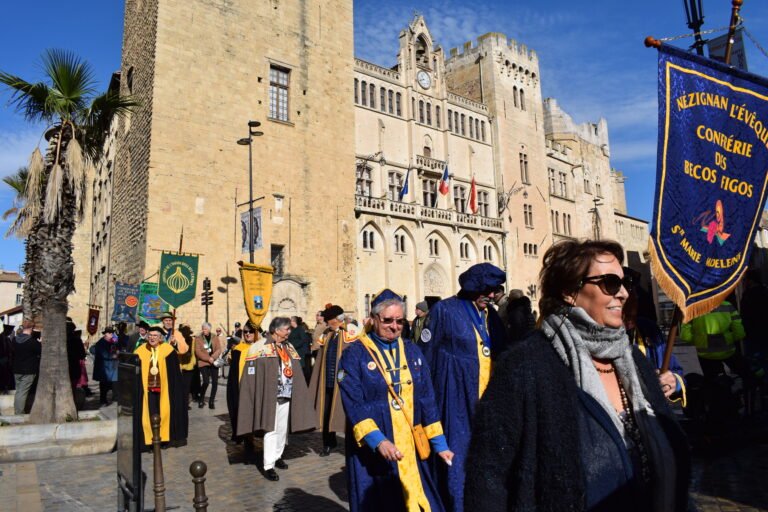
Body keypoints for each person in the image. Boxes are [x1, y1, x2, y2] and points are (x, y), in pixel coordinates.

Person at [465, 239, 690, 511]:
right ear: (570, 292)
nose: (623, 294)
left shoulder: (634, 360)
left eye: (626, 281)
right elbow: (488, 476)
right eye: (610, 283)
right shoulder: (524, 366)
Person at [338, 289, 453, 512]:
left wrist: (440, 445)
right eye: (388, 320)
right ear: (373, 319)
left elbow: (427, 399)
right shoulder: (354, 355)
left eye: (399, 321)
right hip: (375, 451)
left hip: (411, 446)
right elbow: (354, 403)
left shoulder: (413, 351)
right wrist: (378, 441)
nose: (394, 326)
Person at [420, 262, 508, 512]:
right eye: (488, 290)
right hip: (455, 400)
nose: (492, 296)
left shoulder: (490, 316)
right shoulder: (444, 311)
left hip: (487, 404)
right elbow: (426, 357)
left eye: (495, 290)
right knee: (457, 460)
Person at [236, 317, 316, 481]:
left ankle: (278, 455)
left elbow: (295, 369)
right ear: (276, 330)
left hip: (286, 394)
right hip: (269, 395)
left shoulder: (288, 347)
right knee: (270, 430)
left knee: (282, 429)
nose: (289, 332)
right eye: (286, 329)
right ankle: (268, 465)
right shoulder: (260, 347)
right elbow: (251, 375)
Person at [308, 304, 356, 456]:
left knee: (346, 413)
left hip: (343, 381)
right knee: (326, 412)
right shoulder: (327, 334)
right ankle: (328, 442)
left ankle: (352, 443)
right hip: (326, 380)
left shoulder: (350, 333)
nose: (326, 322)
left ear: (335, 320)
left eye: (328, 319)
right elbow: (318, 352)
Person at [134, 325, 188, 448]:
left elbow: (175, 375)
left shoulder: (168, 351)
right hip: (147, 391)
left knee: (164, 412)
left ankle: (164, 439)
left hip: (164, 390)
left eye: (155, 336)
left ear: (161, 338)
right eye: (150, 335)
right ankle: (148, 440)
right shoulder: (140, 351)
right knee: (148, 413)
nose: (152, 338)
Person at [227, 320, 258, 442]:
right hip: (242, 388)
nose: (248, 334)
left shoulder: (261, 348)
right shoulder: (238, 350)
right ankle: (247, 445)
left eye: (251, 332)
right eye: (245, 332)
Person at [12, 319, 40, 413]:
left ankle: (17, 410)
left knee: (19, 391)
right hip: (28, 370)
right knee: (22, 392)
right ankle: (19, 412)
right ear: (31, 328)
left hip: (16, 369)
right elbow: (40, 351)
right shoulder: (32, 342)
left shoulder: (14, 340)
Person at [195, 322, 223, 409]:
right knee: (206, 381)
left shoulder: (215, 337)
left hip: (213, 362)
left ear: (209, 329)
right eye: (203, 329)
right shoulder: (198, 338)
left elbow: (219, 349)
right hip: (204, 363)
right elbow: (198, 352)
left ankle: (211, 401)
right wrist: (208, 359)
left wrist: (213, 357)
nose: (204, 331)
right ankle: (201, 399)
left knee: (215, 382)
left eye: (205, 329)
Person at [91, 327, 120, 406]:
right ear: (105, 334)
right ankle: (103, 400)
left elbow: (115, 350)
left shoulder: (113, 342)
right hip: (104, 368)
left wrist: (117, 352)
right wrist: (113, 355)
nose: (111, 334)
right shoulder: (101, 343)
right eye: (109, 333)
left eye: (112, 333)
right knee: (104, 385)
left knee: (114, 384)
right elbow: (103, 354)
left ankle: (115, 400)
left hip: (112, 367)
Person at [288, 316, 312, 381]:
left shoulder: (300, 329)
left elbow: (303, 339)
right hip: (293, 351)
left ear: (293, 321)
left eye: (290, 321)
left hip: (300, 351)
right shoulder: (293, 330)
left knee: (300, 367)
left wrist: (294, 345)